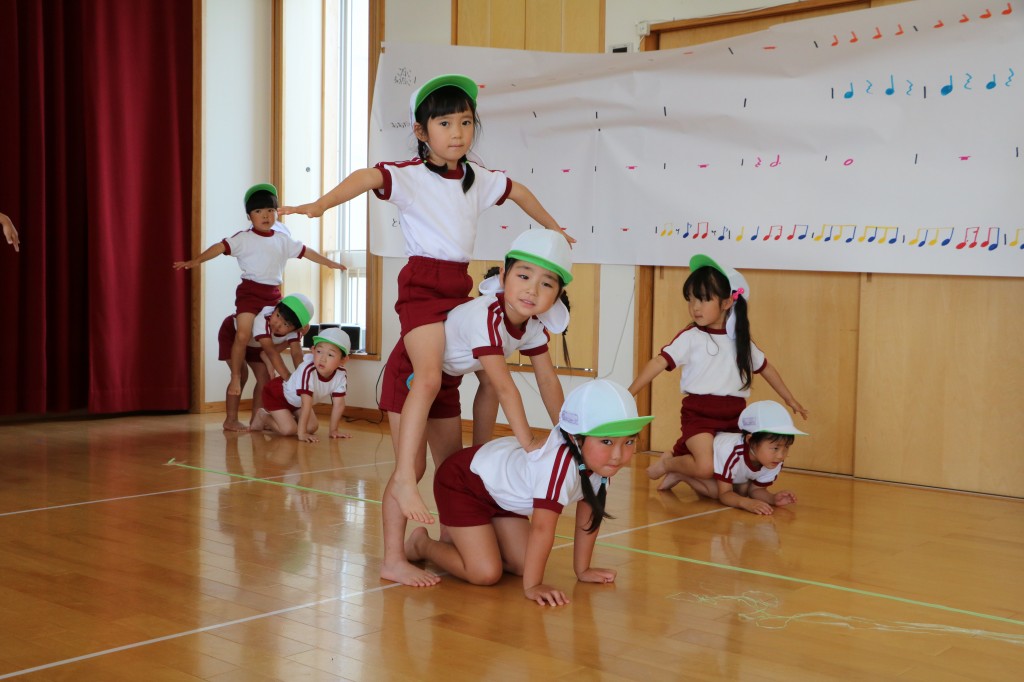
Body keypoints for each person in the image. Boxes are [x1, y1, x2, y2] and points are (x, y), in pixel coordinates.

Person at [280, 74, 574, 525]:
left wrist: (553, 228)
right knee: (430, 376)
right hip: (421, 285)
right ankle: (403, 475)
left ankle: (472, 471)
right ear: (421, 131)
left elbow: (519, 191)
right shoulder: (411, 175)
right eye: (445, 123)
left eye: (466, 122)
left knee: (478, 371)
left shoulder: (477, 179)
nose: (457, 133)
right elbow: (368, 176)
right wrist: (321, 205)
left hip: (457, 287)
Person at [380, 229, 573, 587]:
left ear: (557, 295)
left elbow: (548, 382)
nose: (532, 290)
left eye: (546, 284)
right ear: (503, 276)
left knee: (452, 466)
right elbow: (504, 386)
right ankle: (393, 559)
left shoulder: (532, 327)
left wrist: (570, 433)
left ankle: (446, 539)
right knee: (412, 467)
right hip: (410, 374)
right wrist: (528, 441)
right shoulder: (488, 315)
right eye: (524, 276)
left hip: (445, 381)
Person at [404, 380, 653, 605]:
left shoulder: (601, 464)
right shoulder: (558, 466)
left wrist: (583, 570)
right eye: (607, 442)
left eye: (629, 442)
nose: (618, 455)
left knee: (524, 565)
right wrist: (533, 586)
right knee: (486, 573)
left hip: (502, 499)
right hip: (463, 483)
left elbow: (589, 517)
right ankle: (422, 544)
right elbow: (542, 529)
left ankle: (478, 540)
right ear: (575, 438)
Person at [629, 254, 807, 492]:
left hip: (734, 417)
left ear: (727, 303)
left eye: (703, 299)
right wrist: (629, 392)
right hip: (699, 414)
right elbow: (658, 362)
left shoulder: (741, 342)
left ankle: (680, 472)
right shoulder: (691, 337)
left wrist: (789, 399)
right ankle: (668, 464)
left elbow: (766, 368)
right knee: (705, 467)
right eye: (691, 299)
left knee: (733, 487)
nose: (695, 307)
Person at [173, 183, 345, 398]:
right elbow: (219, 247)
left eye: (270, 210)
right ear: (249, 216)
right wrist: (196, 260)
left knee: (298, 328)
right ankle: (236, 376)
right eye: (258, 211)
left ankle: (296, 379)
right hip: (250, 293)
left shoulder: (283, 240)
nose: (265, 215)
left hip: (273, 295)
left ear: (276, 213)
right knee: (243, 333)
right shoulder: (244, 238)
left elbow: (307, 251)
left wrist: (329, 263)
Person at [677, 400, 804, 515]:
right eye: (775, 448)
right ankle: (678, 473)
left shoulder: (774, 461)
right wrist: (746, 503)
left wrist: (773, 498)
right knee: (718, 492)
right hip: (690, 456)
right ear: (750, 440)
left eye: (786, 447)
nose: (781, 455)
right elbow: (724, 494)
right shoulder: (731, 451)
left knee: (742, 491)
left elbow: (756, 490)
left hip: (722, 472)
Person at [216, 293, 313, 431]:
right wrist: (288, 378)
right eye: (277, 316)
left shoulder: (296, 330)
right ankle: (230, 420)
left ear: (295, 329)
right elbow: (271, 353)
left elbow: (297, 353)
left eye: (285, 324)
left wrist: (301, 377)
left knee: (264, 378)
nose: (277, 324)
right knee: (241, 374)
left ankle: (256, 419)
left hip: (257, 344)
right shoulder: (263, 318)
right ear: (276, 308)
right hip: (234, 335)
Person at [249, 327, 351, 442]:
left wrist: (333, 430)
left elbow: (339, 404)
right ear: (313, 350)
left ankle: (285, 418)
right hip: (278, 395)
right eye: (319, 352)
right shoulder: (308, 370)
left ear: (343, 360)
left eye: (330, 355)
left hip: (297, 402)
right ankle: (262, 415)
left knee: (312, 427)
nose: (322, 359)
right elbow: (306, 403)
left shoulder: (341, 374)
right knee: (289, 430)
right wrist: (302, 433)